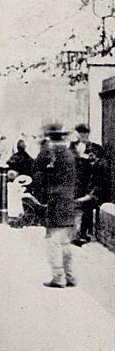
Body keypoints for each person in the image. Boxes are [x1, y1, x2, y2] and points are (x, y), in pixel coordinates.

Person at [32, 122, 77, 288]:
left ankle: (58, 277)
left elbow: (37, 173)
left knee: (53, 241)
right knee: (65, 241)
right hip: (69, 200)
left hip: (55, 201)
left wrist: (40, 195)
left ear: (49, 137)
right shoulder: (69, 154)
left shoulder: (49, 153)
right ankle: (70, 275)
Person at [70, 123, 105, 245]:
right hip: (76, 183)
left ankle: (84, 233)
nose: (82, 135)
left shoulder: (96, 148)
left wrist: (90, 160)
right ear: (77, 134)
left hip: (90, 182)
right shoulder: (72, 147)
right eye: (80, 133)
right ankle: (76, 234)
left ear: (88, 134)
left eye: (85, 133)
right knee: (75, 207)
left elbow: (100, 165)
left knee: (87, 206)